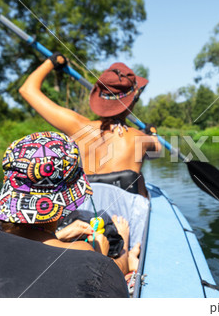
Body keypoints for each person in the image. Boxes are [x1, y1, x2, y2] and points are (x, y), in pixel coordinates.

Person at [19, 54, 162, 248]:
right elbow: (158, 150)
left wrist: (53, 62)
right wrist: (151, 133)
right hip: (125, 223)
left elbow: (27, 89)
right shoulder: (139, 138)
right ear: (132, 102)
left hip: (85, 220)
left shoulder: (77, 126)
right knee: (140, 179)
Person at [0, 131, 139, 276]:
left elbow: (31, 252)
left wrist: (59, 235)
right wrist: (120, 246)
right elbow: (113, 275)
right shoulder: (83, 252)